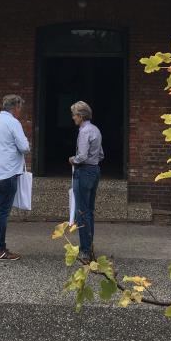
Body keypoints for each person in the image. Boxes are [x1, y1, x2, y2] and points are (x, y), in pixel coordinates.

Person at [0, 94, 30, 261]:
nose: (20, 112)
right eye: (20, 108)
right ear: (15, 107)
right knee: (2, 213)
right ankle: (0, 250)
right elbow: (24, 147)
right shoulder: (13, 122)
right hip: (8, 173)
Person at [68, 100, 104, 263]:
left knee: (81, 212)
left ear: (81, 116)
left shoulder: (84, 131)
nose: (73, 118)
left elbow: (81, 156)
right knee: (89, 210)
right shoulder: (95, 129)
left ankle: (84, 251)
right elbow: (101, 155)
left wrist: (72, 160)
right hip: (95, 170)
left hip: (83, 172)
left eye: (74, 115)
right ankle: (89, 246)